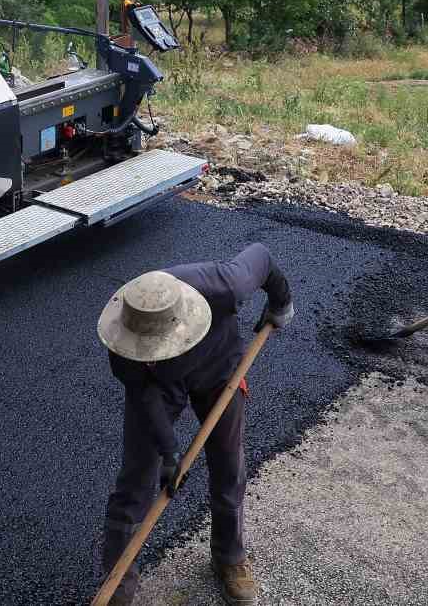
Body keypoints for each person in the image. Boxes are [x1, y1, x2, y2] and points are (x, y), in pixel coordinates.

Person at [97, 243, 293, 606]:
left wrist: (281, 302)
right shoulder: (122, 337)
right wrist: (170, 450)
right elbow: (144, 396)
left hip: (219, 370)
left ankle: (229, 557)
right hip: (159, 387)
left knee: (229, 464)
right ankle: (116, 591)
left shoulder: (224, 285)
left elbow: (263, 257)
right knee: (136, 480)